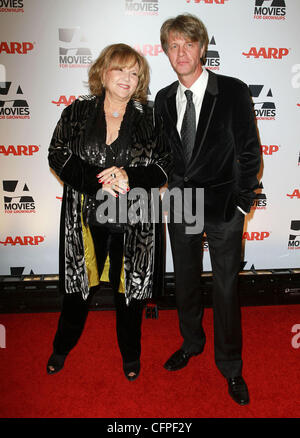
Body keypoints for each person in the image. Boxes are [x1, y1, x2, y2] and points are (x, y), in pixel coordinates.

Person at [47, 43, 171, 381]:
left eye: (134, 73)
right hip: (85, 219)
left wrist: (131, 175)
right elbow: (56, 153)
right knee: (77, 290)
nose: (127, 78)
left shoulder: (151, 117)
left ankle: (130, 355)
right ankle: (61, 347)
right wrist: (94, 182)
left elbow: (164, 166)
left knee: (128, 294)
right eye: (120, 70)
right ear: (103, 72)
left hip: (135, 222)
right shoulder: (76, 111)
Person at [154, 14, 261, 405]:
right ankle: (191, 342)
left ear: (202, 48)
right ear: (166, 52)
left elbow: (250, 152)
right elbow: (164, 155)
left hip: (223, 206)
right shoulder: (163, 99)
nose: (181, 53)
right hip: (182, 203)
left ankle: (231, 365)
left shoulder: (232, 91)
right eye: (173, 46)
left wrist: (241, 202)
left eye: (188, 44)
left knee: (226, 286)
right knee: (185, 280)